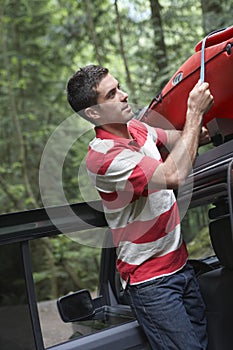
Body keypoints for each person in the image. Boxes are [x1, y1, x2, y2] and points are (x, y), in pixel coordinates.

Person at [67, 64, 213, 349]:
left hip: (182, 266)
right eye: (112, 94)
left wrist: (196, 133)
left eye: (119, 87)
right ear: (93, 114)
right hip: (152, 284)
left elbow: (176, 139)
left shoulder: (136, 128)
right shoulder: (105, 158)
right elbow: (173, 175)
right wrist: (194, 113)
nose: (123, 95)